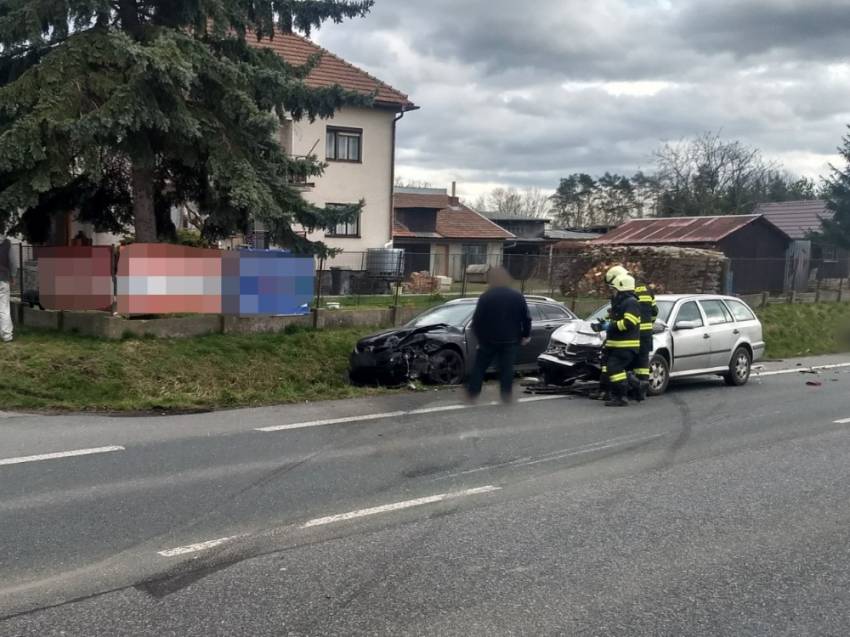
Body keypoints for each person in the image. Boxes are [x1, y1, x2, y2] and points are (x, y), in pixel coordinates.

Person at [466, 266, 531, 403]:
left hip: (488, 340)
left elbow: (477, 320)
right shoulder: (517, 296)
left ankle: (473, 393)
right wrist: (525, 335)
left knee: (479, 367)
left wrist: (480, 338)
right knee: (506, 369)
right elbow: (526, 318)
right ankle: (506, 395)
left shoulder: (486, 297)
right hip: (510, 339)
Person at [599, 272, 641, 407]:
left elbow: (629, 322)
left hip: (625, 345)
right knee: (613, 369)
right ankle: (634, 387)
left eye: (614, 289)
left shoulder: (631, 302)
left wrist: (610, 326)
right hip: (616, 344)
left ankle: (622, 397)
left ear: (622, 289)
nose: (613, 291)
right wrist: (601, 325)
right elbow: (616, 319)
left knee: (614, 369)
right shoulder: (621, 302)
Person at [633, 279, 658, 400]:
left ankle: (633, 387)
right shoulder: (649, 291)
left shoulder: (628, 289)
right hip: (646, 332)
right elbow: (655, 311)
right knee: (643, 362)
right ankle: (642, 391)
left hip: (633, 332)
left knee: (630, 359)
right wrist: (650, 323)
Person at [0, 232, 19, 343]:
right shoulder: (7, 243)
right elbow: (13, 261)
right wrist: (13, 275)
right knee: (4, 308)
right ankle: (7, 335)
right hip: (2, 278)